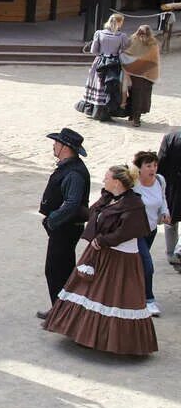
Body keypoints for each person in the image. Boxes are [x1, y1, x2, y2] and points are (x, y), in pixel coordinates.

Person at [43, 164, 157, 356]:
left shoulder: (134, 204)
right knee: (87, 291)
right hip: (99, 253)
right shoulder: (107, 197)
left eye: (107, 177)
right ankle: (83, 333)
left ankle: (113, 341)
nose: (104, 180)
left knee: (114, 297)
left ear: (117, 182)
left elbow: (126, 231)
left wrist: (103, 240)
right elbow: (93, 213)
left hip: (120, 260)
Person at [36, 128, 91, 318]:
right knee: (60, 269)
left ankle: (61, 314)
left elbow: (72, 204)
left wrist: (52, 220)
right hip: (64, 227)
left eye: (57, 143)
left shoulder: (74, 172)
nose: (54, 145)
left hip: (65, 228)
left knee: (57, 270)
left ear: (65, 147)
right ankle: (61, 311)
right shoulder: (69, 167)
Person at [76, 13, 130, 122]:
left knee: (97, 83)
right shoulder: (122, 36)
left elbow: (93, 50)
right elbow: (125, 50)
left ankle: (92, 110)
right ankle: (107, 111)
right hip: (114, 63)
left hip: (100, 61)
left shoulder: (99, 33)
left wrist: (103, 53)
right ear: (119, 23)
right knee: (111, 86)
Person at [133, 151, 169, 316]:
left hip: (151, 230)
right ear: (139, 168)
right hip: (135, 232)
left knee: (138, 264)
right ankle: (149, 300)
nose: (152, 169)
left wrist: (165, 212)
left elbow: (163, 199)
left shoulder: (160, 181)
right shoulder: (133, 183)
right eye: (148, 165)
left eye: (154, 165)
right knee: (147, 265)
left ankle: (134, 294)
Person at [121, 24, 160, 128]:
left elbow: (153, 59)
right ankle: (134, 117)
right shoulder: (134, 40)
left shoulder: (152, 44)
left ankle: (135, 116)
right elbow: (127, 52)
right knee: (136, 94)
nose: (142, 35)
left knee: (137, 95)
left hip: (142, 73)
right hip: (138, 73)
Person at [160, 128, 181, 267]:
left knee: (170, 220)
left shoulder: (170, 137)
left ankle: (171, 253)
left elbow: (161, 162)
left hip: (173, 185)